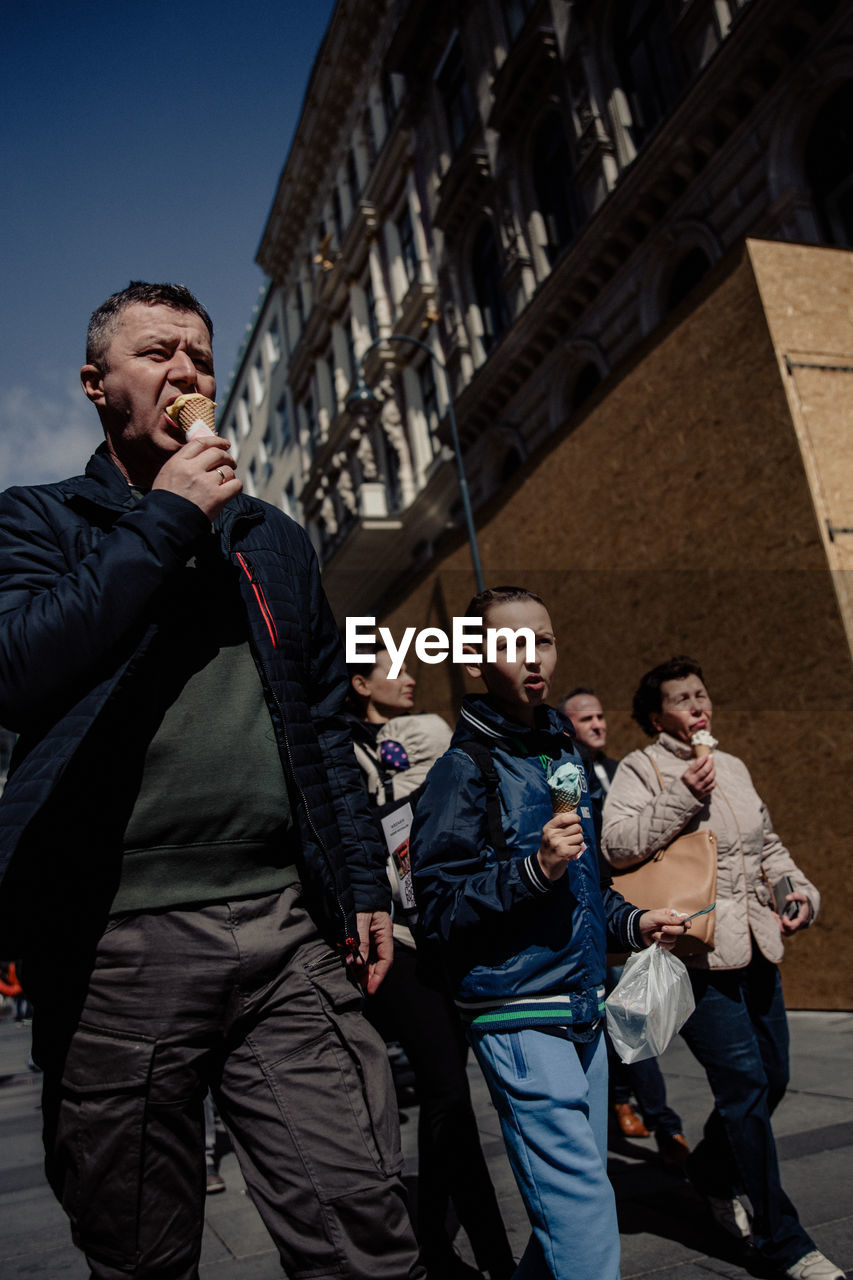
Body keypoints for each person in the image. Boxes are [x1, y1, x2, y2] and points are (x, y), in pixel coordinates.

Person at [0, 282, 425, 1280]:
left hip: (283, 930)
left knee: (362, 1220)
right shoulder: (38, 521)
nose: (187, 372)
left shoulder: (271, 538)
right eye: (156, 354)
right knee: (141, 1246)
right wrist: (164, 522)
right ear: (97, 385)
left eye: (200, 355)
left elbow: (324, 719)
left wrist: (360, 877)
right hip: (117, 942)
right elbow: (16, 668)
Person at [410, 586, 690, 1280]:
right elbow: (437, 907)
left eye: (543, 639)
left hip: (582, 1008)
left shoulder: (556, 753)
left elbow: (585, 882)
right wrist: (532, 868)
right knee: (584, 1221)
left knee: (568, 1211)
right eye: (510, 645)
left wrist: (630, 921)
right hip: (517, 1013)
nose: (533, 658)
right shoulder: (460, 769)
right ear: (473, 659)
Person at [601, 656, 842, 1280]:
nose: (698, 707)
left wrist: (797, 891)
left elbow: (769, 848)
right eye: (682, 699)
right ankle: (783, 1241)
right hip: (696, 954)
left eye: (702, 695)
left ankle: (709, 1172)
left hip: (757, 946)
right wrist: (683, 794)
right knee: (744, 1091)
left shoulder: (732, 765)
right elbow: (617, 845)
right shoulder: (642, 767)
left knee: (776, 1076)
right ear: (658, 716)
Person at [345, 650, 514, 1280]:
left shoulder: (420, 738)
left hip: (442, 931)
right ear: (359, 684)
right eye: (392, 670)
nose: (410, 676)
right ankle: (492, 1258)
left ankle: (434, 1245)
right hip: (394, 941)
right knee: (446, 1089)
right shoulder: (349, 750)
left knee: (448, 1095)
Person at [561, 686, 688, 1164]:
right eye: (586, 718)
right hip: (602, 911)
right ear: (567, 725)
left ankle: (660, 1122)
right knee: (620, 1016)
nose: (598, 724)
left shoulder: (618, 771)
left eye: (600, 715)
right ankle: (633, 1109)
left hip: (635, 906)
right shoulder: (566, 777)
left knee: (632, 1016)